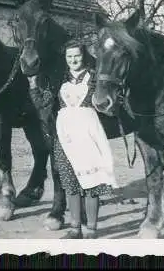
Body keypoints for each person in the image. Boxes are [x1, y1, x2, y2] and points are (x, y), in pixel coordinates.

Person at [51, 38, 120, 239]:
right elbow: (46, 103)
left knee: (91, 184)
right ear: (65, 58)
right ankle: (75, 228)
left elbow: (108, 100)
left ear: (84, 56)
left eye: (77, 55)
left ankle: (91, 229)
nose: (73, 60)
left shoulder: (95, 77)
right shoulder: (59, 79)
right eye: (69, 56)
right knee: (70, 183)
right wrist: (33, 87)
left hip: (88, 136)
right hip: (65, 138)